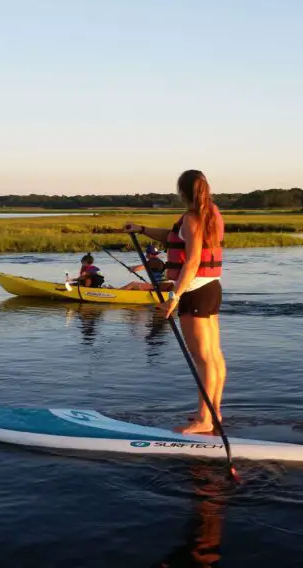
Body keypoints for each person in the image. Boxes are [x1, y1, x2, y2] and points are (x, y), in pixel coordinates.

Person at [125, 169, 226, 434]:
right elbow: (174, 239)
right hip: (210, 287)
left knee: (203, 358)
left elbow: (192, 261)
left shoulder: (193, 218)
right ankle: (213, 411)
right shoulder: (210, 213)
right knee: (213, 355)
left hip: (193, 290)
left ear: (182, 191)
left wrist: (174, 296)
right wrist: (142, 229)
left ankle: (205, 419)